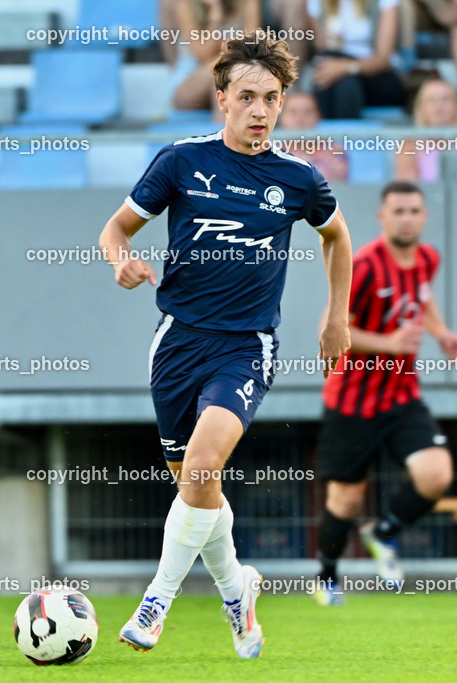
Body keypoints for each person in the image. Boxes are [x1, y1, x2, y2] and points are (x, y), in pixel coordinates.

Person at [100, 32, 353, 655]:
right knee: (197, 487)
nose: (261, 110)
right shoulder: (181, 161)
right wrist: (120, 259)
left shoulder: (298, 179)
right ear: (222, 100)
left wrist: (336, 317)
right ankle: (239, 592)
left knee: (204, 464)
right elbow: (115, 229)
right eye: (247, 97)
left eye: (272, 98)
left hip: (246, 347)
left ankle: (155, 603)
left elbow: (338, 237)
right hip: (177, 344)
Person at [312, 180, 457, 605]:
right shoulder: (362, 265)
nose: (406, 218)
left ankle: (384, 533)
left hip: (401, 395)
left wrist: (441, 333)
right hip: (353, 401)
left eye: (414, 211)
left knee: (437, 474)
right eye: (398, 211)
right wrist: (389, 343)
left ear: (424, 216)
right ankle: (325, 578)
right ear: (382, 217)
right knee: (344, 499)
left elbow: (422, 296)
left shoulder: (427, 259)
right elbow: (329, 328)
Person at [306, 0, 406, 119]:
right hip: (335, 67)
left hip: (378, 74)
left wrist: (345, 68)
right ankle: (340, 135)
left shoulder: (384, 3)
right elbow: (321, 48)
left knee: (345, 82)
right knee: (332, 73)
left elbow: (384, 59)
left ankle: (333, 135)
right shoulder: (318, 2)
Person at [171, 0, 262, 111]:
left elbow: (252, 46)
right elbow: (204, 55)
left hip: (234, 75)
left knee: (230, 75)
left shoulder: (248, 3)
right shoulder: (186, 5)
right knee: (224, 71)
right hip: (191, 81)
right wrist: (215, 18)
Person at [394, 77, 457, 182]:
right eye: (431, 100)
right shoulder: (407, 146)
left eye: (445, 99)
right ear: (421, 108)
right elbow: (407, 190)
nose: (438, 106)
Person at [277, 90, 351, 181]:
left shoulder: (335, 150)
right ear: (281, 118)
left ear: (318, 116)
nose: (300, 118)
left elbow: (334, 186)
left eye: (308, 112)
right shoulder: (269, 152)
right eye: (293, 112)